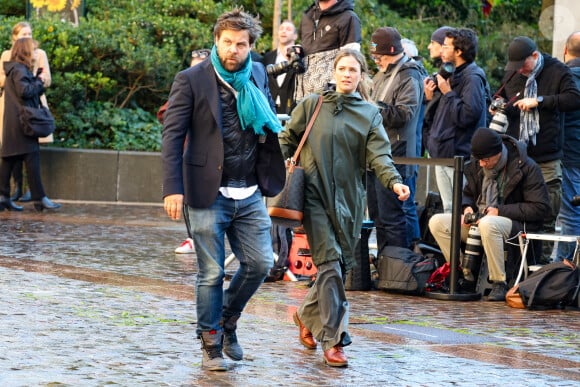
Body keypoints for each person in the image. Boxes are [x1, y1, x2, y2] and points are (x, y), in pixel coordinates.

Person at [161, 8, 285, 371]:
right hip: (205, 191)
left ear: (251, 46)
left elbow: (264, 124)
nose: (233, 50)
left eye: (241, 44)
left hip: (248, 191)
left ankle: (227, 320)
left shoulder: (258, 72)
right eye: (227, 42)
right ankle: (211, 341)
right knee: (211, 272)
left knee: (261, 263)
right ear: (216, 41)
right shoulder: (191, 79)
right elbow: (173, 136)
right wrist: (173, 187)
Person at [280, 49, 410, 367]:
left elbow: (379, 155)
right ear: (334, 73)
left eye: (353, 69)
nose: (347, 74)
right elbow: (288, 136)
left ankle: (305, 314)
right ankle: (334, 339)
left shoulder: (369, 114)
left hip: (349, 203)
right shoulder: (313, 104)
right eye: (342, 68)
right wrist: (281, 160)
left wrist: (394, 181)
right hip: (313, 196)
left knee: (337, 265)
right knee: (329, 266)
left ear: (361, 75)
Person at [429, 128, 550, 301]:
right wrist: (467, 209)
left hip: (515, 224)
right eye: (479, 160)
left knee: (489, 223)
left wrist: (500, 211)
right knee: (437, 222)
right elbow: (468, 194)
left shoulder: (526, 167)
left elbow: (540, 208)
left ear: (498, 152)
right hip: (481, 220)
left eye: (486, 160)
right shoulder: (477, 166)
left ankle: (498, 282)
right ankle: (462, 273)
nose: (481, 164)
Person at [496, 36, 580, 263]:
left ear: (535, 56)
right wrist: (498, 108)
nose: (520, 71)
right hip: (518, 155)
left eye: (523, 65)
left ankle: (542, 270)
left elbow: (574, 99)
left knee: (546, 213)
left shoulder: (557, 70)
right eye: (515, 67)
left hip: (547, 155)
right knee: (515, 209)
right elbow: (503, 97)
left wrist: (540, 101)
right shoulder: (514, 73)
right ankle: (517, 267)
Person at [367, 27, 423, 250]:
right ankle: (385, 266)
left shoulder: (410, 75)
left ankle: (399, 268)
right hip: (376, 155)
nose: (376, 61)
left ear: (391, 51)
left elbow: (404, 114)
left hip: (398, 156)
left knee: (393, 217)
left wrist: (370, 108)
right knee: (378, 218)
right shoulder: (382, 74)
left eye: (378, 57)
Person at [424, 28, 488, 213]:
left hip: (460, 156)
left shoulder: (473, 77)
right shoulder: (450, 74)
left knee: (462, 211)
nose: (441, 50)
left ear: (459, 51)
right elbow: (437, 117)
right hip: (441, 153)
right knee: (448, 210)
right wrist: (429, 97)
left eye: (446, 46)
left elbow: (468, 116)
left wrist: (448, 92)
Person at [156, 48, 211, 255]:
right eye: (193, 65)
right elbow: (166, 115)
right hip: (188, 151)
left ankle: (202, 237)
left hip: (211, 153)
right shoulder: (185, 83)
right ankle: (193, 236)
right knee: (188, 195)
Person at [0, 37, 60, 212]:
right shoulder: (19, 70)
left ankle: (3, 196)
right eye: (33, 50)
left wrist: (35, 79)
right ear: (25, 51)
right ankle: (39, 198)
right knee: (30, 157)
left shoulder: (16, 69)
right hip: (22, 123)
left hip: (17, 122)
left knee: (9, 159)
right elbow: (25, 91)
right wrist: (40, 81)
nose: (36, 53)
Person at [294, 0, 361, 102]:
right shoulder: (307, 16)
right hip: (303, 100)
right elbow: (308, 47)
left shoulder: (348, 18)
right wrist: (297, 51)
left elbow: (351, 61)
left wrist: (330, 93)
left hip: (331, 101)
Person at [556, 31, 580, 262]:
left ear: (565, 51)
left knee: (570, 214)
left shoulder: (565, 80)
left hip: (570, 155)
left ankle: (563, 267)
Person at [421, 26, 452, 160]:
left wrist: (428, 99)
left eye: (433, 43)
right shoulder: (441, 72)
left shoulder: (452, 74)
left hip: (448, 147)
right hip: (438, 145)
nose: (429, 46)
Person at [261, 20, 299, 115]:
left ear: (295, 36)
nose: (283, 31)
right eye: (281, 28)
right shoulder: (267, 57)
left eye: (288, 29)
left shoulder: (300, 58)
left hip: (291, 111)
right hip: (269, 110)